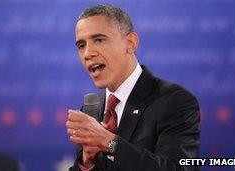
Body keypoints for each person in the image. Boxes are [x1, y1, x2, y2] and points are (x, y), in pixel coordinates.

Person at [66, 4, 200, 171]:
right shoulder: (91, 110)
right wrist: (87, 162)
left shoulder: (175, 101)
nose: (87, 53)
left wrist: (110, 143)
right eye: (81, 46)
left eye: (99, 40)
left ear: (130, 43)